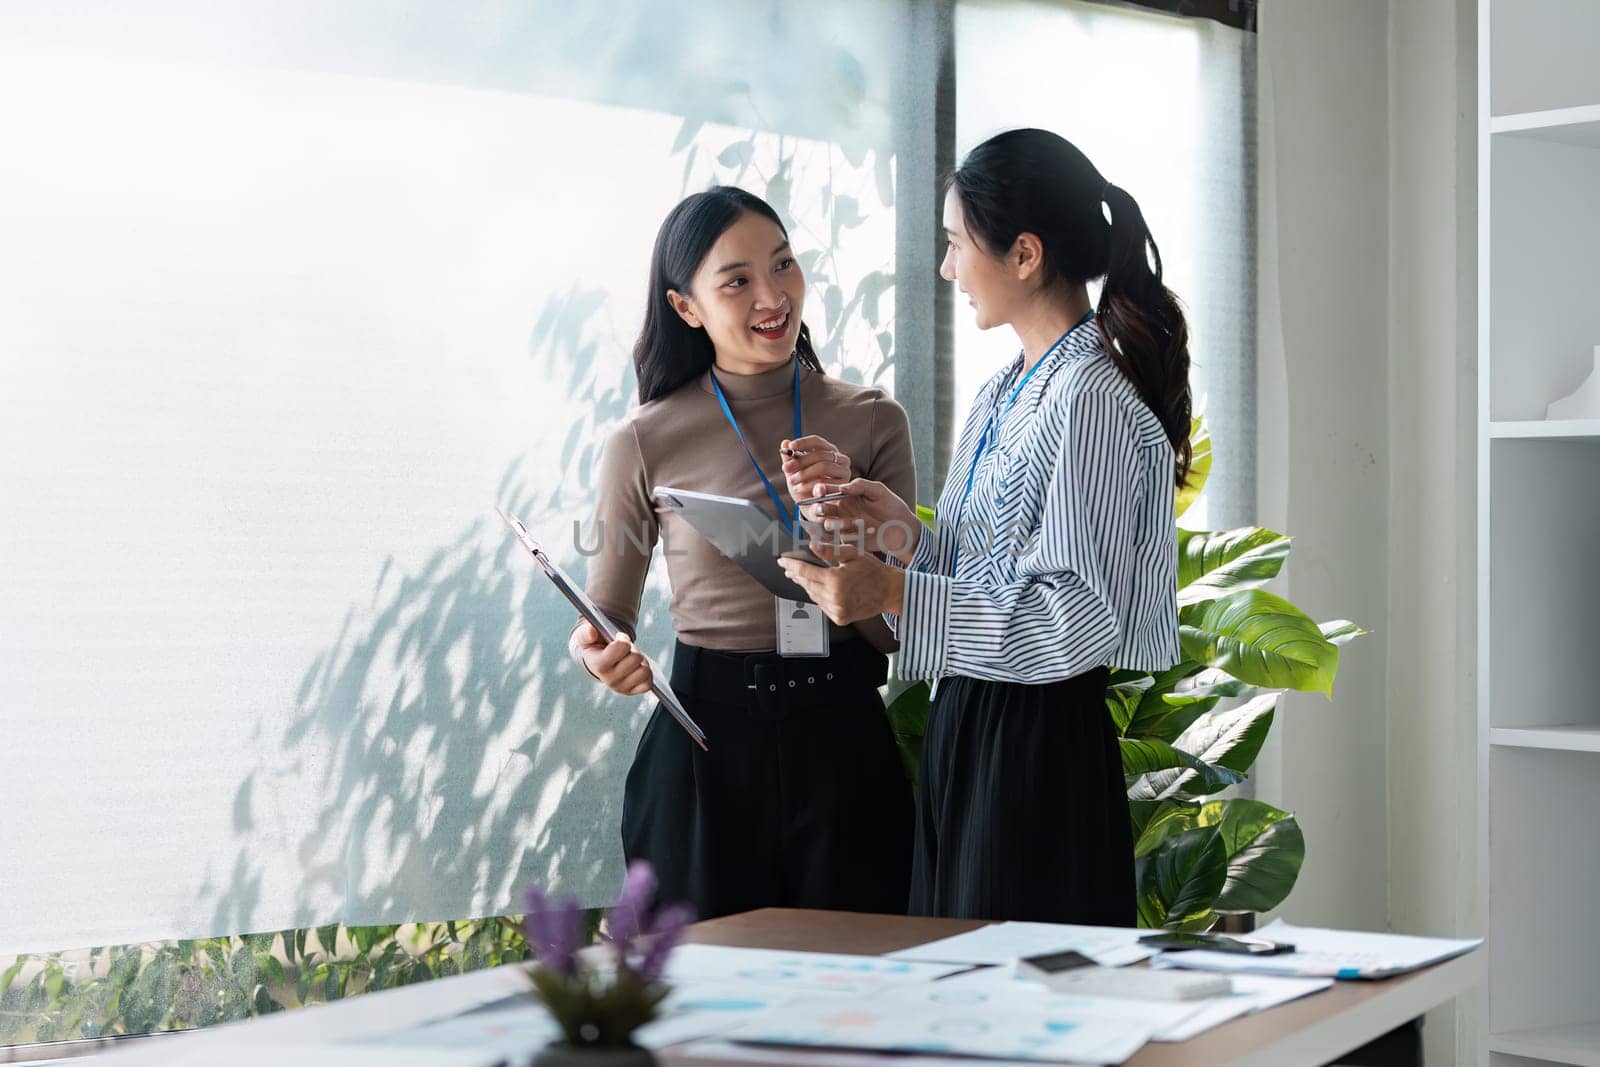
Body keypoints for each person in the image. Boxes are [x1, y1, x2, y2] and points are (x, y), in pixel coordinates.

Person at [779, 129, 1190, 925]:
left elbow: (1073, 617)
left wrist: (895, 588)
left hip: (1039, 752)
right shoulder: (1003, 390)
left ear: (1026, 254)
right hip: (969, 729)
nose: (946, 269)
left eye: (955, 244)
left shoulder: (1091, 400)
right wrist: (898, 531)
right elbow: (991, 575)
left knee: (1018, 1015)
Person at [571, 185, 916, 921]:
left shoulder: (874, 421)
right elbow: (606, 616)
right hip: (702, 750)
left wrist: (846, 541)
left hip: (844, 749)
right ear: (686, 306)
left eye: (784, 264)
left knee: (856, 1000)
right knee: (702, 1009)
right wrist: (599, 651)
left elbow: (897, 632)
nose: (773, 295)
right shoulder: (642, 439)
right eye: (737, 280)